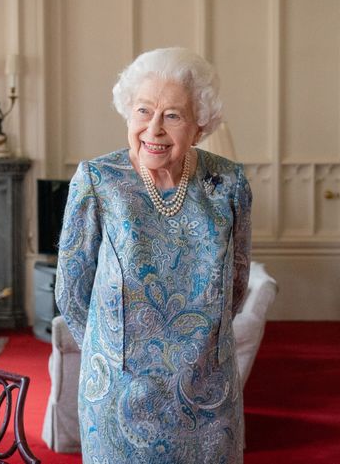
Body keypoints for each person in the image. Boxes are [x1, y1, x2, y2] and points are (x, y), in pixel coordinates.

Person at [55, 47, 252, 462]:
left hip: (208, 393)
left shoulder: (228, 183)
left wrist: (201, 351)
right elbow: (72, 292)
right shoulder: (97, 180)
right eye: (144, 111)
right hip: (118, 394)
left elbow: (236, 283)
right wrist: (111, 355)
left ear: (199, 126)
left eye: (173, 115)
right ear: (129, 114)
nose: (154, 129)